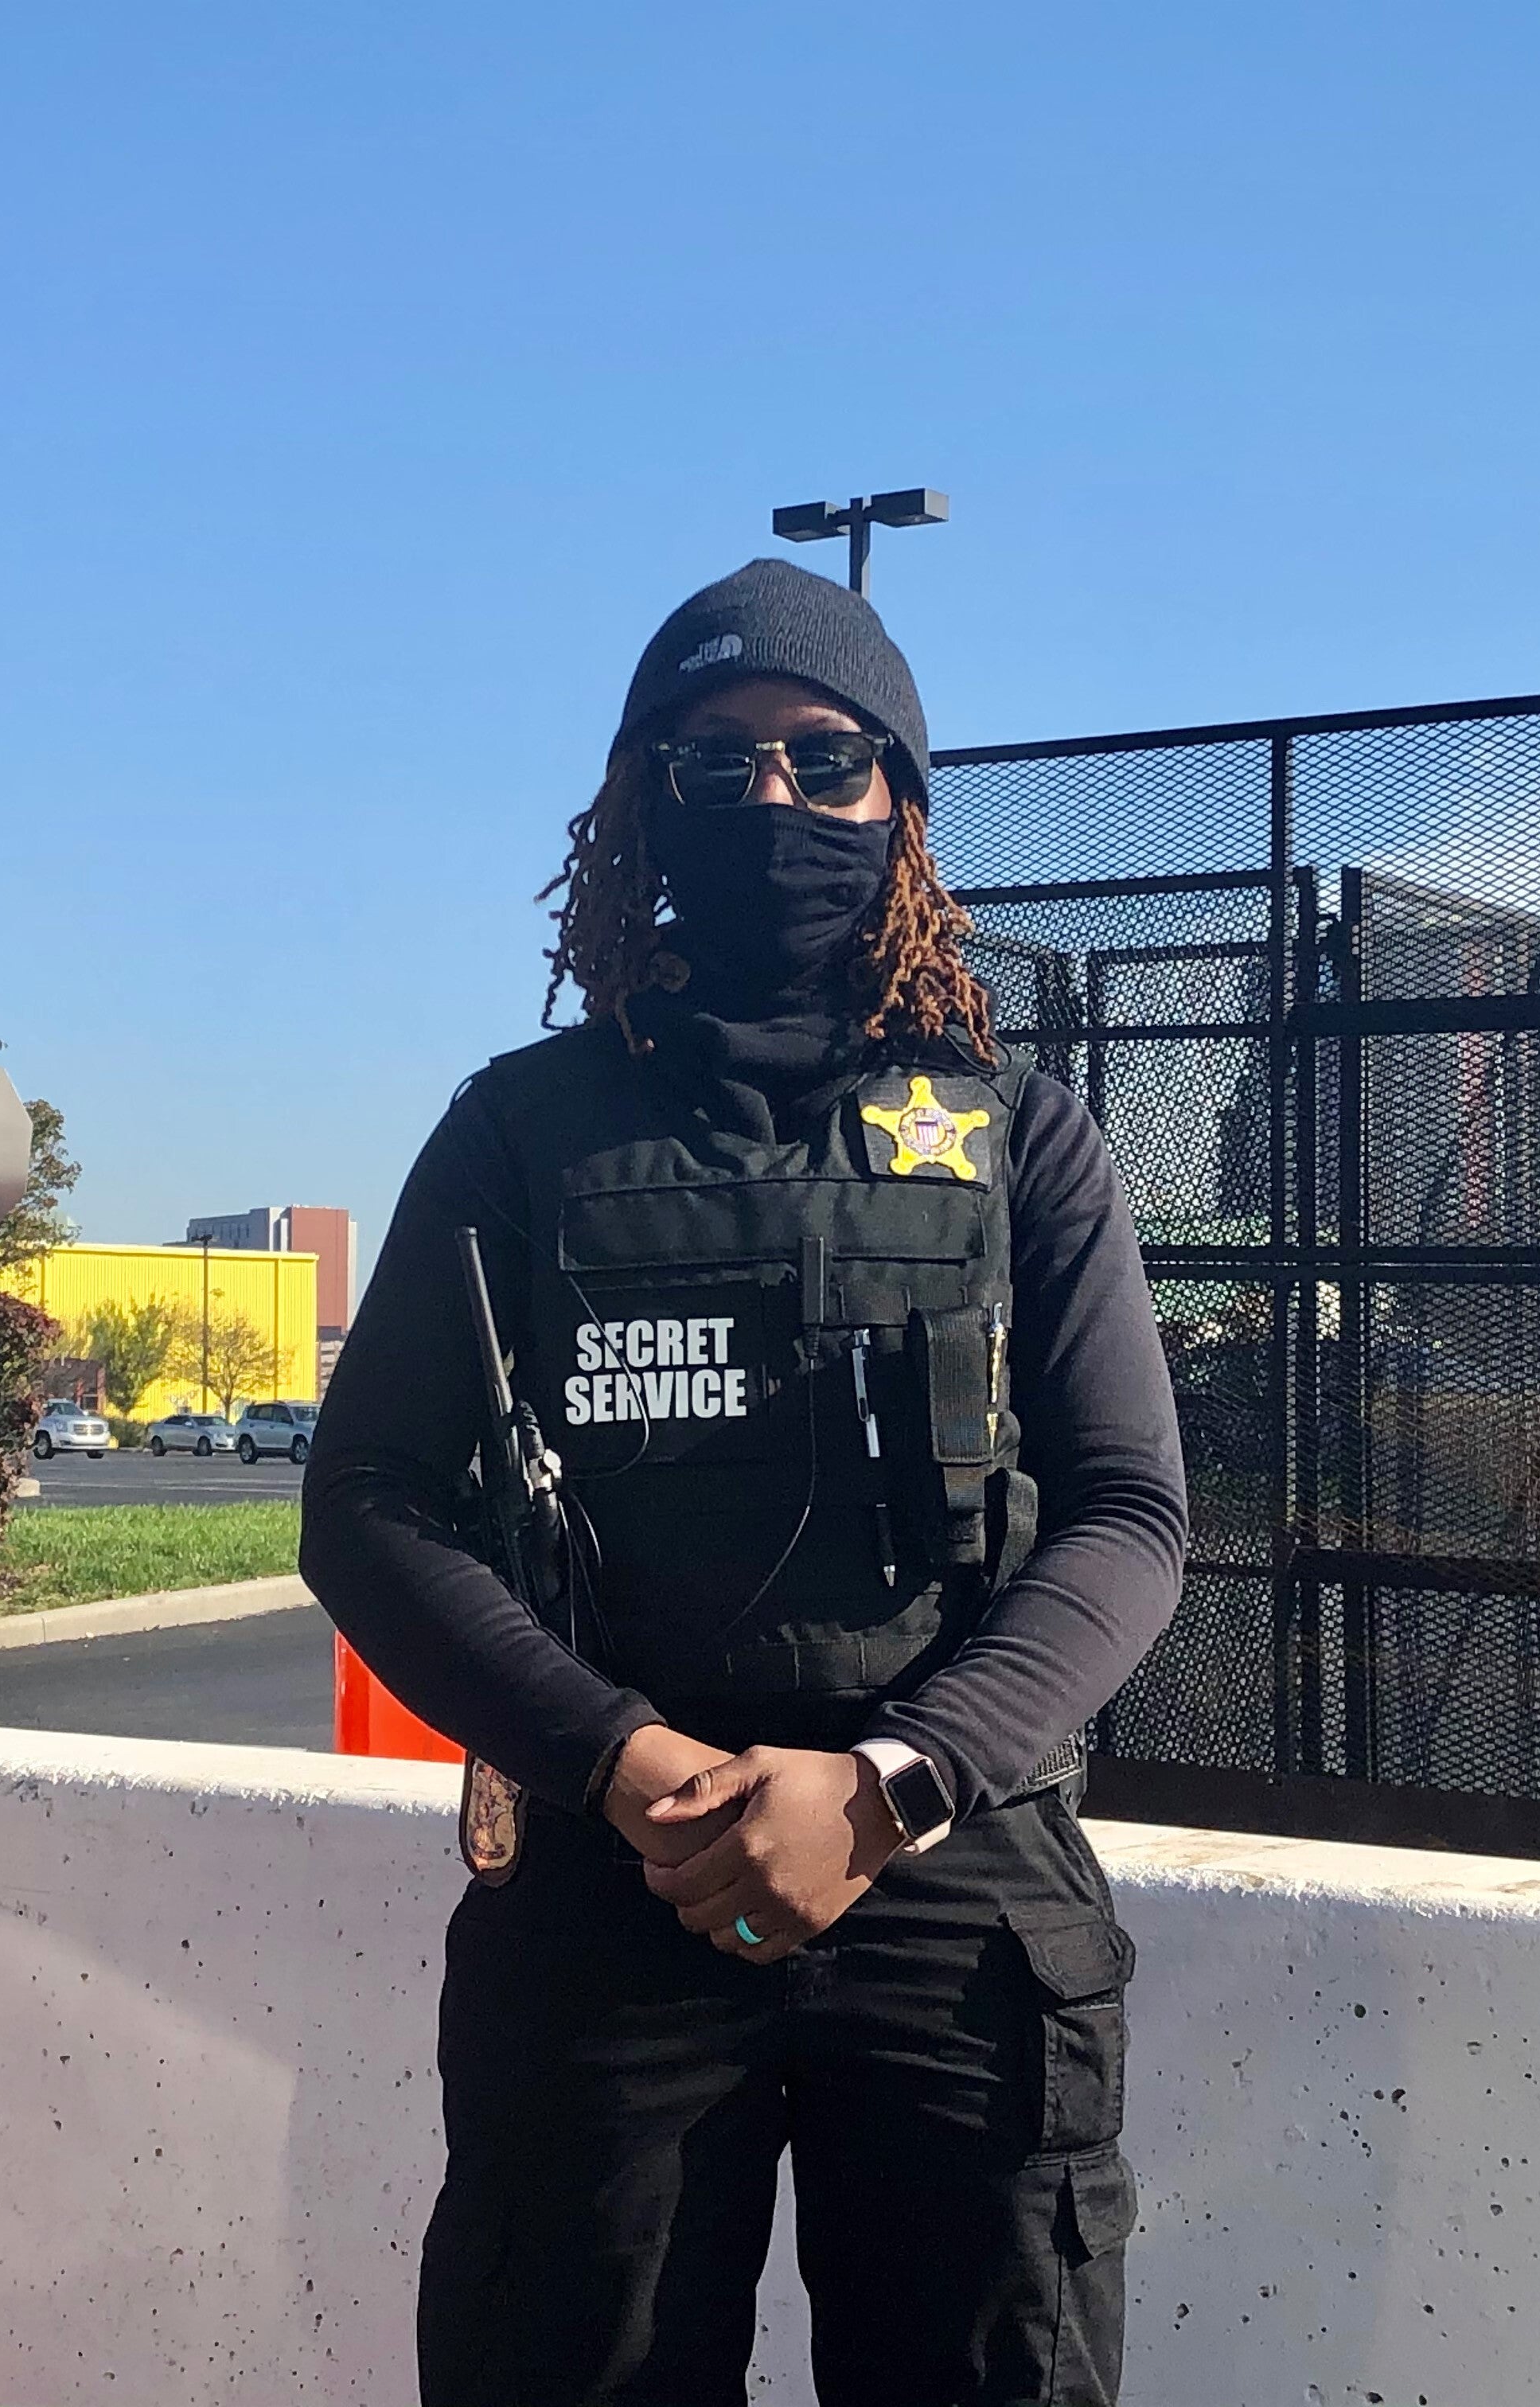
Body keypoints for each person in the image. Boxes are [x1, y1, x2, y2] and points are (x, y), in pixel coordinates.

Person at [301, 558, 1189, 2407]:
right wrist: (627, 1765)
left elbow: (1130, 1517)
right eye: (712, 765)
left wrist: (890, 1783)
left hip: (950, 1877)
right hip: (612, 1875)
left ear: (903, 811)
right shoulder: (520, 1132)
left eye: (825, 758)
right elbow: (371, 1500)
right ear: (637, 811)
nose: (771, 799)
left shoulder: (1017, 1137)